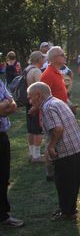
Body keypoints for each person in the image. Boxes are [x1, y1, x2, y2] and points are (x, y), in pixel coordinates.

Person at [28, 82, 80, 221]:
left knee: (64, 182)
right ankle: (70, 209)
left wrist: (51, 146)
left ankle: (67, 212)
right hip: (77, 146)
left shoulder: (47, 108)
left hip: (67, 150)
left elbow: (58, 129)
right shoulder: (56, 101)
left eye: (30, 97)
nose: (30, 101)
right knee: (73, 181)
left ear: (38, 95)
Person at [0, 80, 24, 228]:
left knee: (3, 177)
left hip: (2, 136)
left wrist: (5, 105)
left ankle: (3, 215)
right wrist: (4, 105)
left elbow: (12, 102)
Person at [24, 51, 46, 163]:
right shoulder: (36, 71)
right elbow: (40, 89)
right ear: (38, 59)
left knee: (31, 128)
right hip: (35, 102)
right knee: (38, 129)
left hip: (28, 101)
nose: (44, 60)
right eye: (43, 58)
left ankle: (31, 153)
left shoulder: (27, 69)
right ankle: (36, 156)